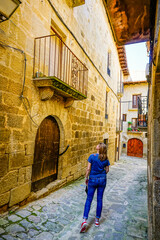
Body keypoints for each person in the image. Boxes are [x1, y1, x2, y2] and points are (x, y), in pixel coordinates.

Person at [80, 143, 110, 233]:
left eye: (98, 145)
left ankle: (85, 220)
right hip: (102, 180)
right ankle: (97, 221)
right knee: (99, 199)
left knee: (89, 199)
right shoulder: (106, 158)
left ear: (99, 148)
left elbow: (88, 169)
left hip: (92, 180)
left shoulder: (92, 157)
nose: (96, 145)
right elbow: (107, 170)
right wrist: (102, 172)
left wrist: (86, 178)